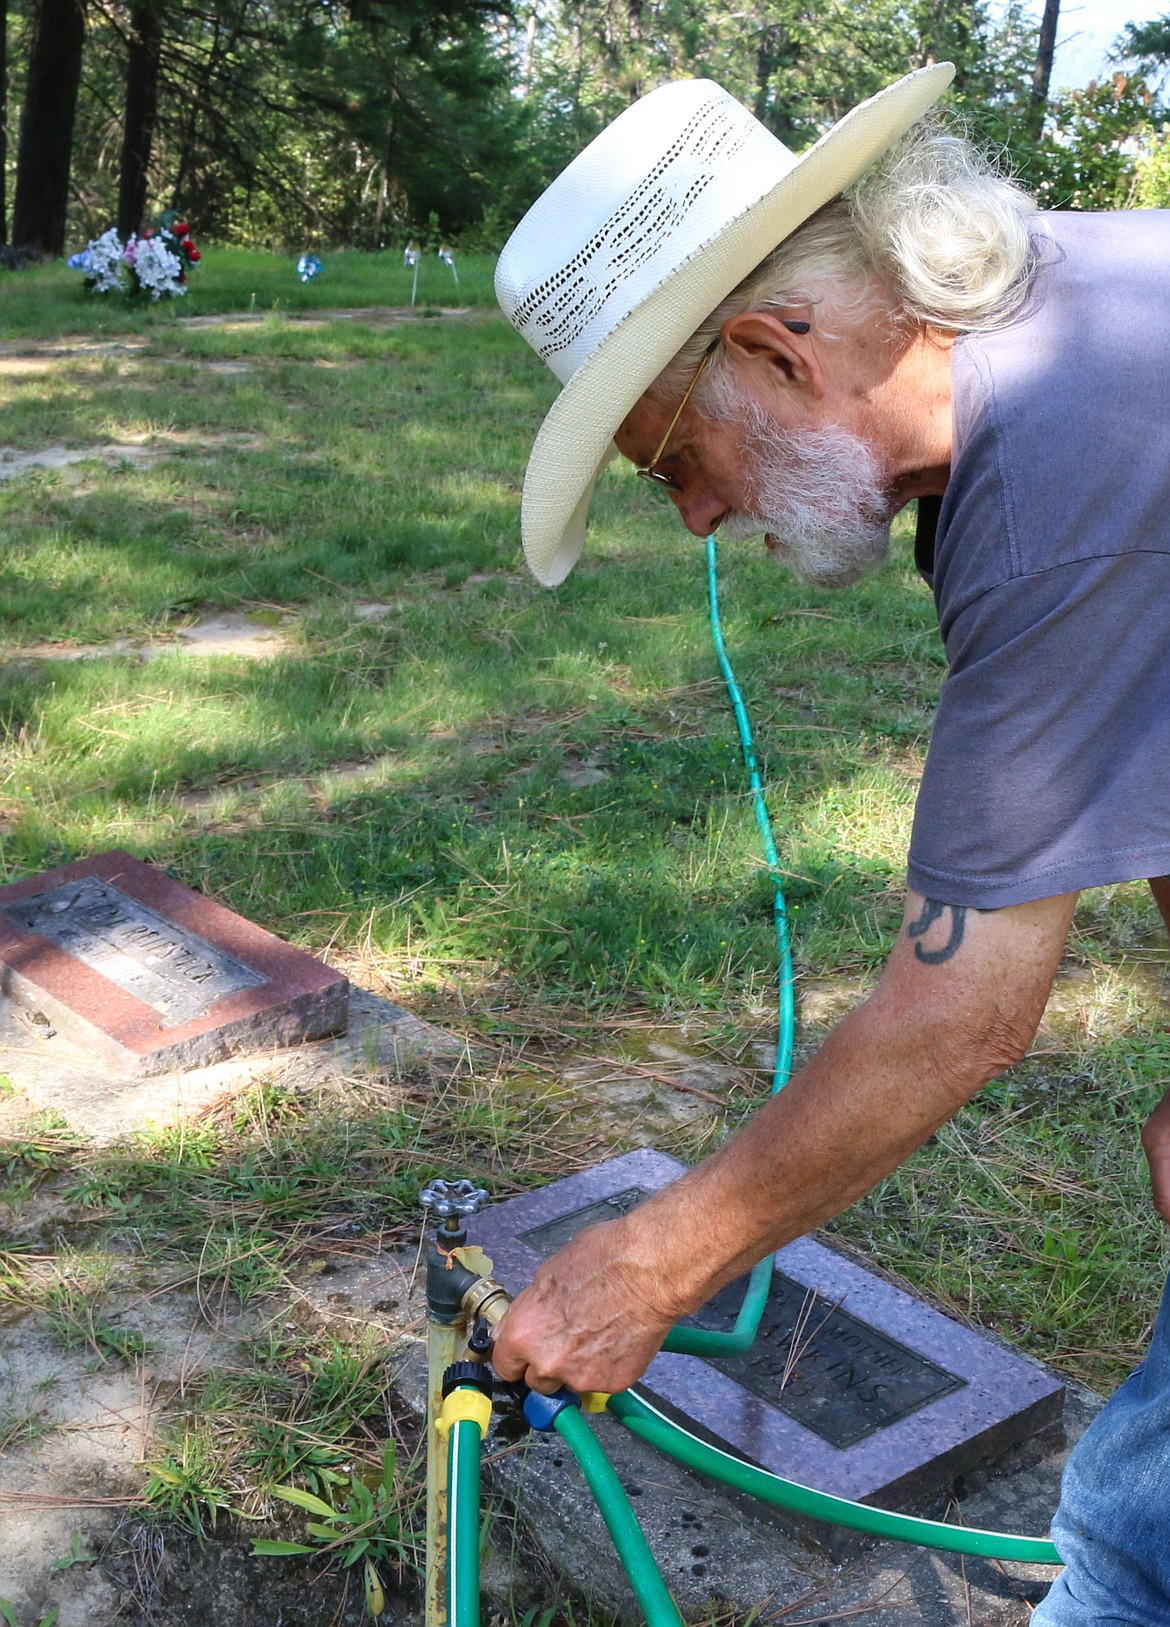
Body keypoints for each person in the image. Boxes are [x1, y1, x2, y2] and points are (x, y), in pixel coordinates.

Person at [490, 66, 1170, 1625]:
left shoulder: (1060, 472)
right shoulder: (1065, 340)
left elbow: (960, 1014)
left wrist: (649, 1269)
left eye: (670, 458)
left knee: (1133, 1553)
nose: (691, 519)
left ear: (767, 350)